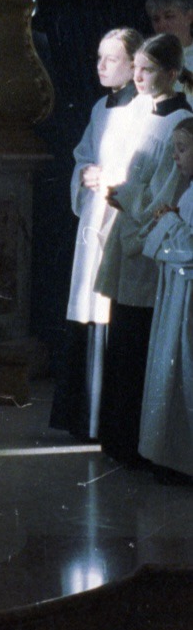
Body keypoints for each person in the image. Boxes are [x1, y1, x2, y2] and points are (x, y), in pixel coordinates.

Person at [96, 33, 193, 464]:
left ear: (172, 74)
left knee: (139, 346)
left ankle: (137, 444)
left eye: (148, 68)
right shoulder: (138, 108)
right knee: (120, 341)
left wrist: (131, 202)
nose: (136, 75)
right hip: (125, 231)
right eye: (134, 66)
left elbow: (168, 191)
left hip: (148, 247)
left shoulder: (180, 123)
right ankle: (115, 440)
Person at [51, 28, 143, 440]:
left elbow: (144, 166)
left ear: (133, 63)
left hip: (119, 218)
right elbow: (83, 155)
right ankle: (79, 417)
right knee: (87, 306)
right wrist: (84, 173)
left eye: (111, 59)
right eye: (98, 58)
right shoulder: (98, 107)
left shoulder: (144, 110)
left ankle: (104, 421)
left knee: (110, 310)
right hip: (93, 216)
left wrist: (110, 177)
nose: (101, 66)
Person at [140, 118, 193, 480]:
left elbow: (187, 247)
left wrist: (169, 224)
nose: (176, 157)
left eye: (183, 148)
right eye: (174, 148)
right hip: (179, 291)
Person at [146, 0, 193, 74]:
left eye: (169, 17)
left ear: (189, 17)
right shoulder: (146, 58)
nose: (161, 24)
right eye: (156, 19)